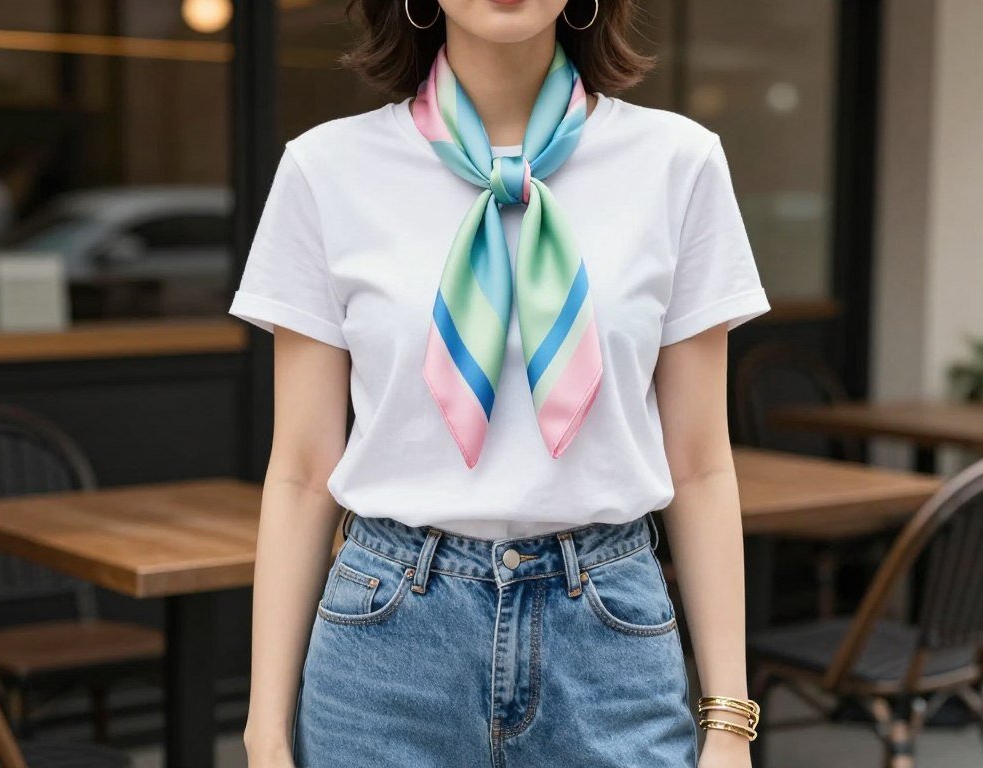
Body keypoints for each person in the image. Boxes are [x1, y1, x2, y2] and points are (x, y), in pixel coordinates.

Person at [230, 1, 771, 766]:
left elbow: (701, 465)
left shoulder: (677, 163)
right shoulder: (326, 170)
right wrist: (265, 732)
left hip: (609, 641)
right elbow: (301, 473)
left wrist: (728, 722)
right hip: (385, 645)